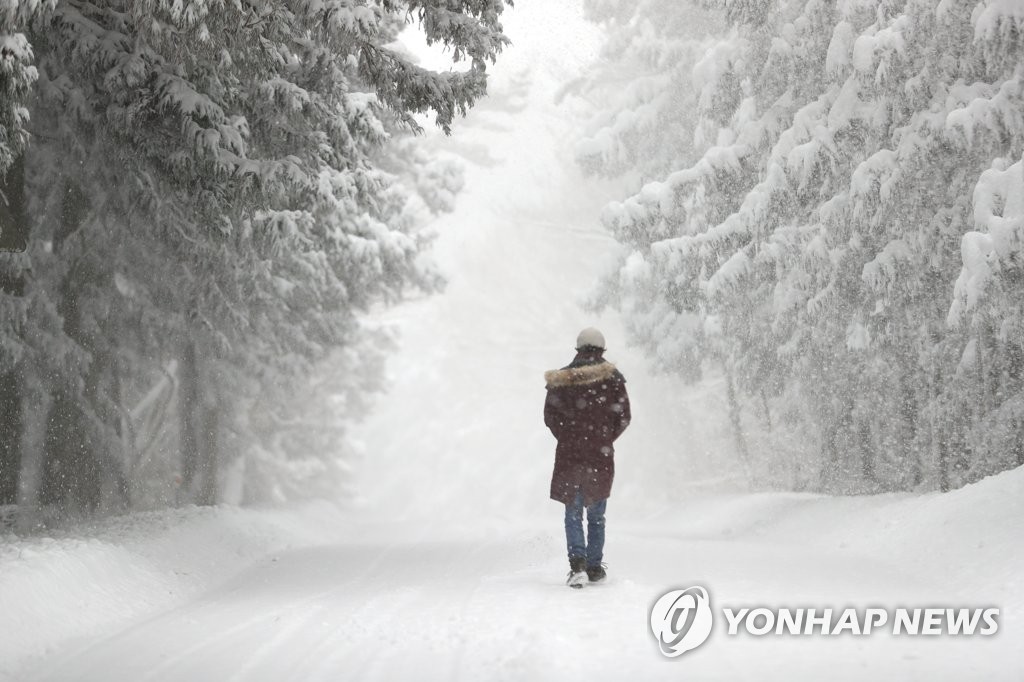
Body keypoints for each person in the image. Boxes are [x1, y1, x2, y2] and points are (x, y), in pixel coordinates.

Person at [543, 327, 631, 588]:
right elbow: (623, 416)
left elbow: (550, 416)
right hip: (599, 456)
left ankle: (577, 566)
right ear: (602, 349)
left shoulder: (562, 379)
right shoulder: (612, 378)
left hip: (570, 455)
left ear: (578, 349)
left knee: (573, 511)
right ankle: (594, 567)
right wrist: (604, 438)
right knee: (596, 513)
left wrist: (568, 437)